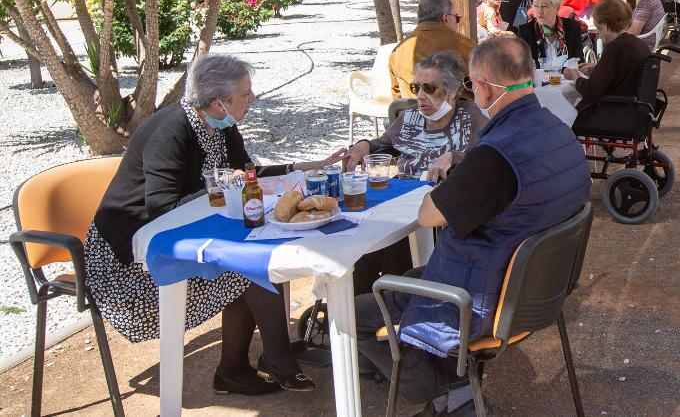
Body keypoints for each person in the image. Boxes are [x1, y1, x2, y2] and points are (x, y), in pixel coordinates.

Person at [354, 36, 591, 415]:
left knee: (355, 315)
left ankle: (449, 394)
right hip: (540, 287)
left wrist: (456, 172)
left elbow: (430, 215)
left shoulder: (497, 153)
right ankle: (456, 389)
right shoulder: (557, 130)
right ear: (528, 74)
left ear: (480, 88)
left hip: (482, 296)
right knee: (415, 275)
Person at [86, 55, 350, 395]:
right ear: (216, 101)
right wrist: (225, 188)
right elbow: (162, 209)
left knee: (259, 253)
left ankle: (241, 367)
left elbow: (247, 172)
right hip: (132, 260)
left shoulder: (220, 123)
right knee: (248, 267)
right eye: (245, 93)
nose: (252, 98)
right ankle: (273, 361)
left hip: (187, 230)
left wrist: (307, 165)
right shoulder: (170, 131)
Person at [346, 52, 485, 294]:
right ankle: (361, 316)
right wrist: (363, 145)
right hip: (400, 208)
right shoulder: (410, 117)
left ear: (451, 92)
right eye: (416, 87)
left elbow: (487, 157)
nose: (420, 95)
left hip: (438, 216)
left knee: (393, 250)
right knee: (358, 252)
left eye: (430, 88)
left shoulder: (469, 116)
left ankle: (395, 305)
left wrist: (455, 156)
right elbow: (382, 143)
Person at [566, 0, 652, 117]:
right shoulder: (638, 44)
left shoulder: (614, 48)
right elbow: (625, 72)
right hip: (636, 111)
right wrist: (598, 67)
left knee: (565, 116)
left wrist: (575, 76)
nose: (598, 33)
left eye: (598, 28)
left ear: (605, 25)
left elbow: (591, 91)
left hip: (615, 112)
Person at [390, 0, 477, 99]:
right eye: (457, 18)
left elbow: (396, 94)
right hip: (456, 113)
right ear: (445, 18)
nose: (457, 23)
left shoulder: (398, 51)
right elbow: (483, 87)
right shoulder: (466, 46)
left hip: (411, 112)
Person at [514, 0, 584, 67]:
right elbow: (518, 65)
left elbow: (579, 60)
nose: (539, 11)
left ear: (557, 9)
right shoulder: (526, 30)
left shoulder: (572, 27)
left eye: (544, 6)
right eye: (536, 6)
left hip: (566, 79)